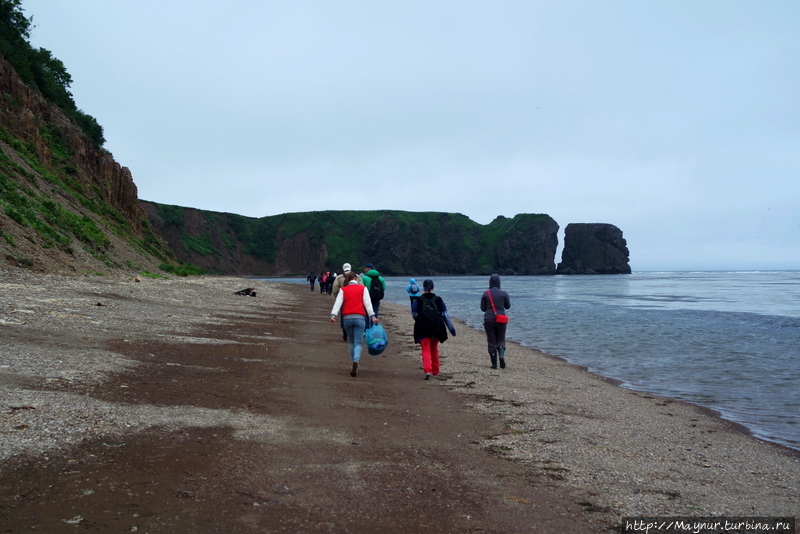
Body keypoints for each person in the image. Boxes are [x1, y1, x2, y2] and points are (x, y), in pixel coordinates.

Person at [331, 271, 378, 377]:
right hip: (360, 318)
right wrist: (373, 316)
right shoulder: (363, 289)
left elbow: (338, 303)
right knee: (358, 343)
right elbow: (368, 304)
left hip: (347, 318)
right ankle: (356, 361)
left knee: (351, 343)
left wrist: (333, 315)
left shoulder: (343, 290)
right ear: (356, 279)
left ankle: (353, 362)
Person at [412, 279, 456, 380]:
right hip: (436, 328)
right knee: (434, 349)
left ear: (423, 288)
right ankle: (435, 371)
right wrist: (452, 330)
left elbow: (414, 314)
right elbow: (445, 315)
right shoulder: (438, 299)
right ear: (433, 288)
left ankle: (427, 371)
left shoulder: (418, 300)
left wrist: (421, 320)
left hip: (422, 329)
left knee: (425, 350)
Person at [480, 273, 511, 369]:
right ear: (499, 283)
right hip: (501, 319)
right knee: (501, 339)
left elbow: (483, 308)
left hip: (489, 319)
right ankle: (501, 355)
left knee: (491, 341)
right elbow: (508, 306)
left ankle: (494, 364)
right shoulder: (504, 293)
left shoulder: (486, 293)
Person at [332, 263, 363, 341]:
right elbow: (362, 287)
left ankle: (345, 333)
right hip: (356, 299)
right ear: (350, 268)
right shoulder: (357, 277)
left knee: (344, 315)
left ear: (343, 269)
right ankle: (355, 333)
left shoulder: (339, 277)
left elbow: (335, 289)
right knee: (356, 314)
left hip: (343, 299)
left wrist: (337, 298)